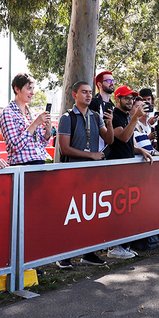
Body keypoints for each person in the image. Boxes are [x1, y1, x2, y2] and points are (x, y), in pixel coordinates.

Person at [56, 80, 114, 267]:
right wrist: (91, 155)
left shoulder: (96, 116)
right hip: (72, 173)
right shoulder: (67, 118)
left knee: (90, 214)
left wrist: (110, 124)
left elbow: (110, 139)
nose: (88, 95)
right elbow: (64, 149)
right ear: (74, 95)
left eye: (90, 92)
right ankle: (64, 255)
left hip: (92, 174)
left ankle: (89, 253)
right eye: (84, 92)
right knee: (71, 215)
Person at [105, 85, 154, 259]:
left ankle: (123, 244)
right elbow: (122, 137)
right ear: (117, 99)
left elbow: (128, 143)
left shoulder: (126, 116)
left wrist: (140, 150)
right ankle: (114, 247)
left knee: (125, 209)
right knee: (116, 209)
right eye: (126, 98)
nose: (130, 101)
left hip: (126, 167)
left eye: (132, 98)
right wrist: (135, 118)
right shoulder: (115, 115)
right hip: (115, 168)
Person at [0, 73, 52, 166]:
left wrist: (48, 132)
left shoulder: (32, 113)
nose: (32, 92)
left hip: (40, 162)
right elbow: (15, 146)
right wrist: (35, 124)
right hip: (22, 166)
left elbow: (39, 144)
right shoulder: (7, 113)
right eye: (28, 88)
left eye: (33, 88)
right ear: (17, 89)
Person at [90, 70, 115, 152]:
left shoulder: (113, 106)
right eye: (108, 81)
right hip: (95, 150)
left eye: (112, 80)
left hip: (110, 152)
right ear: (99, 84)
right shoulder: (93, 103)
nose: (112, 83)